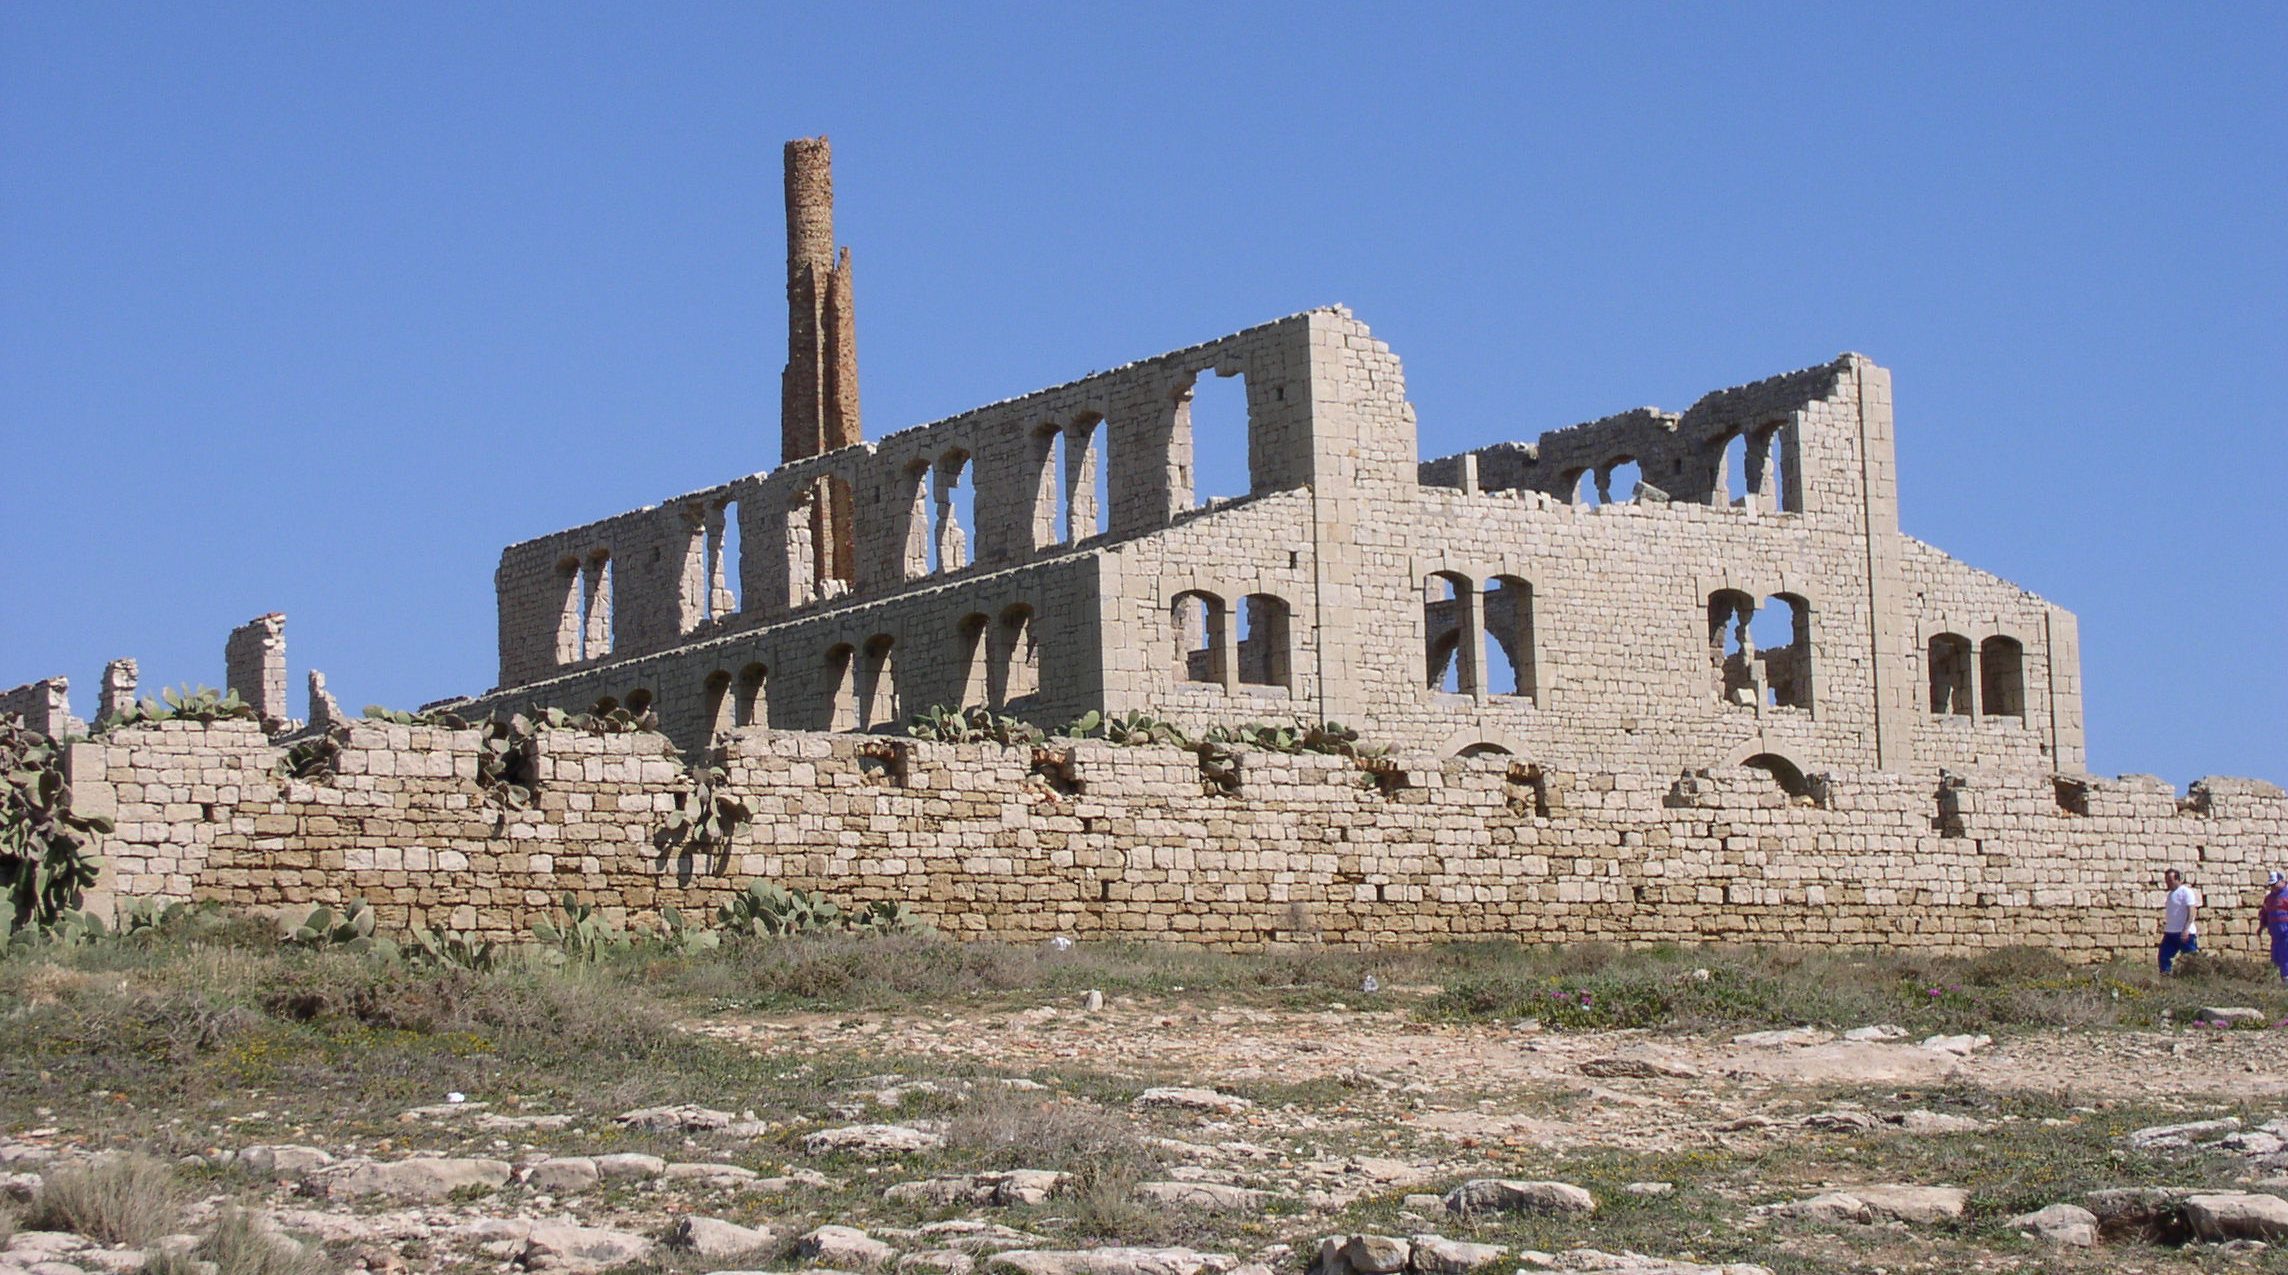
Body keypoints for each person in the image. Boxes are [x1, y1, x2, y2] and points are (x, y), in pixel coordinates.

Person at [2159, 868, 2200, 974]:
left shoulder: (2186, 892)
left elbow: (2191, 910)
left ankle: (2195, 980)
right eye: (2166, 880)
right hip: (2171, 932)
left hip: (2184, 933)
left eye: (2170, 880)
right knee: (2164, 957)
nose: (2167, 883)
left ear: (2178, 880)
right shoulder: (2170, 895)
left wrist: (2186, 929)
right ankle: (2166, 977)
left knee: (2191, 960)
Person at [2261, 870, 2288, 984]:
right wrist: (2261, 926)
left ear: (2282, 881)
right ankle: (2279, 981)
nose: (2273, 887)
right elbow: (2265, 913)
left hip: (2286, 933)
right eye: (2271, 885)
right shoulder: (2269, 898)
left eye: (2275, 884)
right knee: (2276, 958)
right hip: (2275, 935)